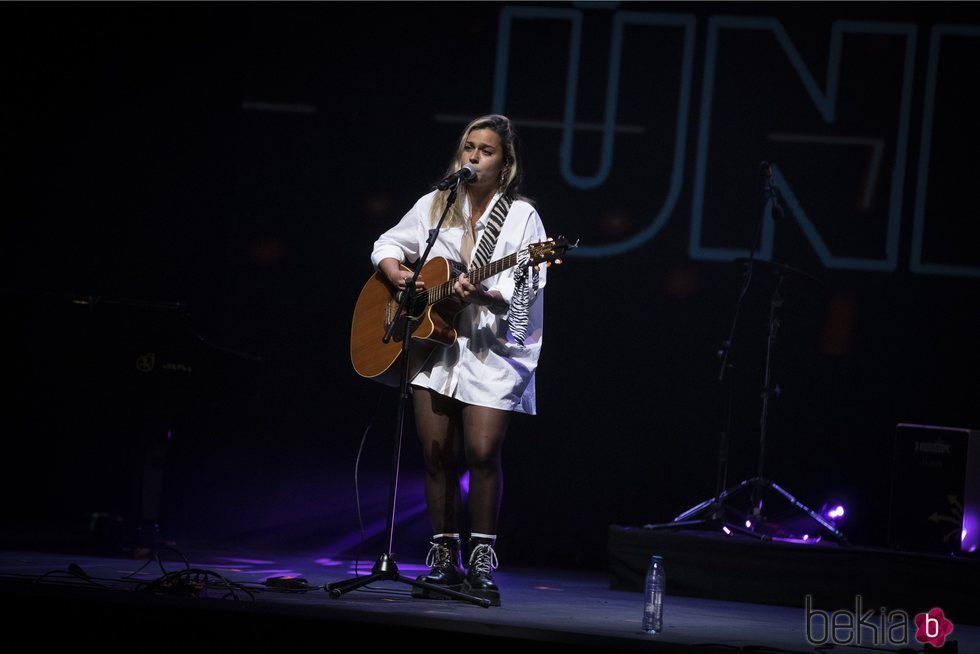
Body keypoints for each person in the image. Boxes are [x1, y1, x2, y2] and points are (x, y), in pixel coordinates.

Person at [370, 114, 547, 606]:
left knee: (483, 453)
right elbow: (388, 243)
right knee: (434, 455)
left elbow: (527, 291)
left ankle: (483, 564)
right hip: (435, 348)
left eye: (486, 150)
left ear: (504, 162)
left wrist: (486, 297)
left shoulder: (522, 218)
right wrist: (400, 276)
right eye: (469, 146)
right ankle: (444, 562)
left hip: (493, 351)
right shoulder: (436, 204)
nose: (473, 156)